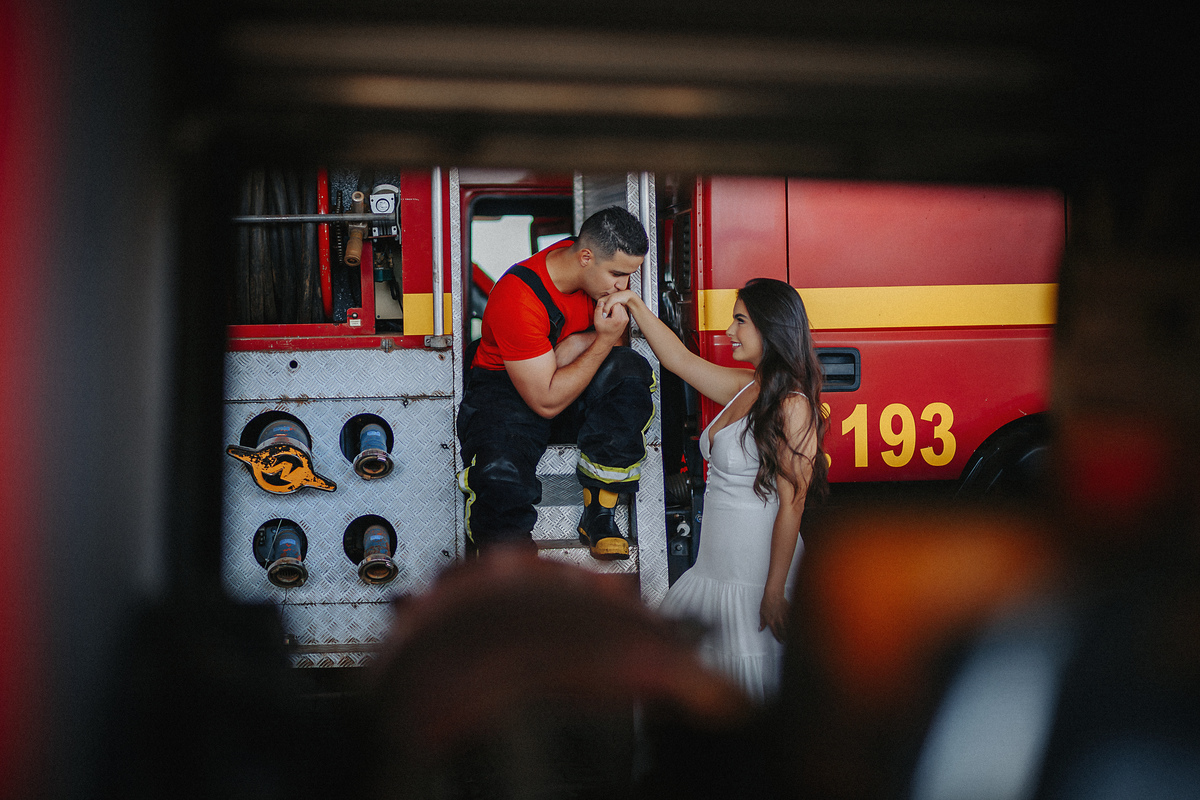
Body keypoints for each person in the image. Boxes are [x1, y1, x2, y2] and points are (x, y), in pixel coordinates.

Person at [599, 278, 828, 701]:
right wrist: (632, 301)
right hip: (715, 569)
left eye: (740, 321)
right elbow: (679, 361)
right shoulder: (748, 386)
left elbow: (792, 504)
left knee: (747, 688)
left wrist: (774, 590)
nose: (729, 331)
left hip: (754, 575)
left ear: (770, 327)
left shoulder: (792, 403)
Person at [458, 206, 654, 559]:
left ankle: (600, 511)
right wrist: (602, 340)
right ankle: (509, 576)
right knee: (500, 476)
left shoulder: (594, 277)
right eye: (617, 274)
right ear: (585, 257)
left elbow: (622, 343)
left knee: (629, 371)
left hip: (561, 386)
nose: (623, 287)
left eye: (629, 275)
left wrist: (581, 343)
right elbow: (545, 400)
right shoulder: (518, 297)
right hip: (507, 395)